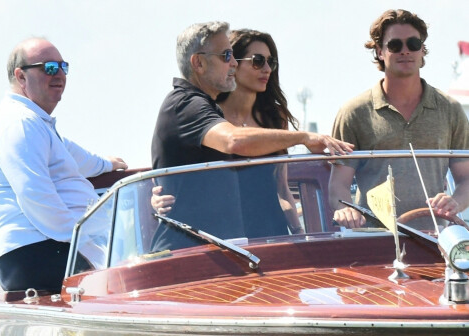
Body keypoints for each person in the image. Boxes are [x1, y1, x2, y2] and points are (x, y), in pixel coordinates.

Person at [150, 21, 352, 249]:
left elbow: (278, 188)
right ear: (198, 63)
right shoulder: (186, 104)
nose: (234, 63)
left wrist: (298, 234)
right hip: (187, 258)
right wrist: (304, 137)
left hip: (228, 252)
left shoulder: (205, 107)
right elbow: (233, 141)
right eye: (226, 55)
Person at [0, 37, 127, 293]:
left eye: (63, 67)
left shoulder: (35, 122)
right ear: (21, 76)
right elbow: (36, 196)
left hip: (48, 247)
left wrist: (106, 164)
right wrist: (81, 235)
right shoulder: (19, 124)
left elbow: (70, 154)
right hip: (37, 251)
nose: (59, 74)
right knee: (129, 285)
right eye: (48, 67)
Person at [329, 9, 469, 229]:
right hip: (372, 240)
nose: (405, 51)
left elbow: (466, 179)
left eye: (413, 44)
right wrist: (345, 209)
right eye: (395, 45)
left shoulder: (450, 110)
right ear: (380, 52)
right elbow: (338, 186)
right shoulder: (353, 112)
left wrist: (456, 202)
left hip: (435, 241)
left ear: (422, 50)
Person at [217, 28, 304, 236]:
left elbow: (282, 188)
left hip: (272, 232)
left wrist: (299, 233)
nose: (266, 69)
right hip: (225, 236)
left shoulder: (275, 117)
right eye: (257, 61)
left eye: (270, 62)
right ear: (233, 64)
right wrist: (156, 198)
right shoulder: (208, 115)